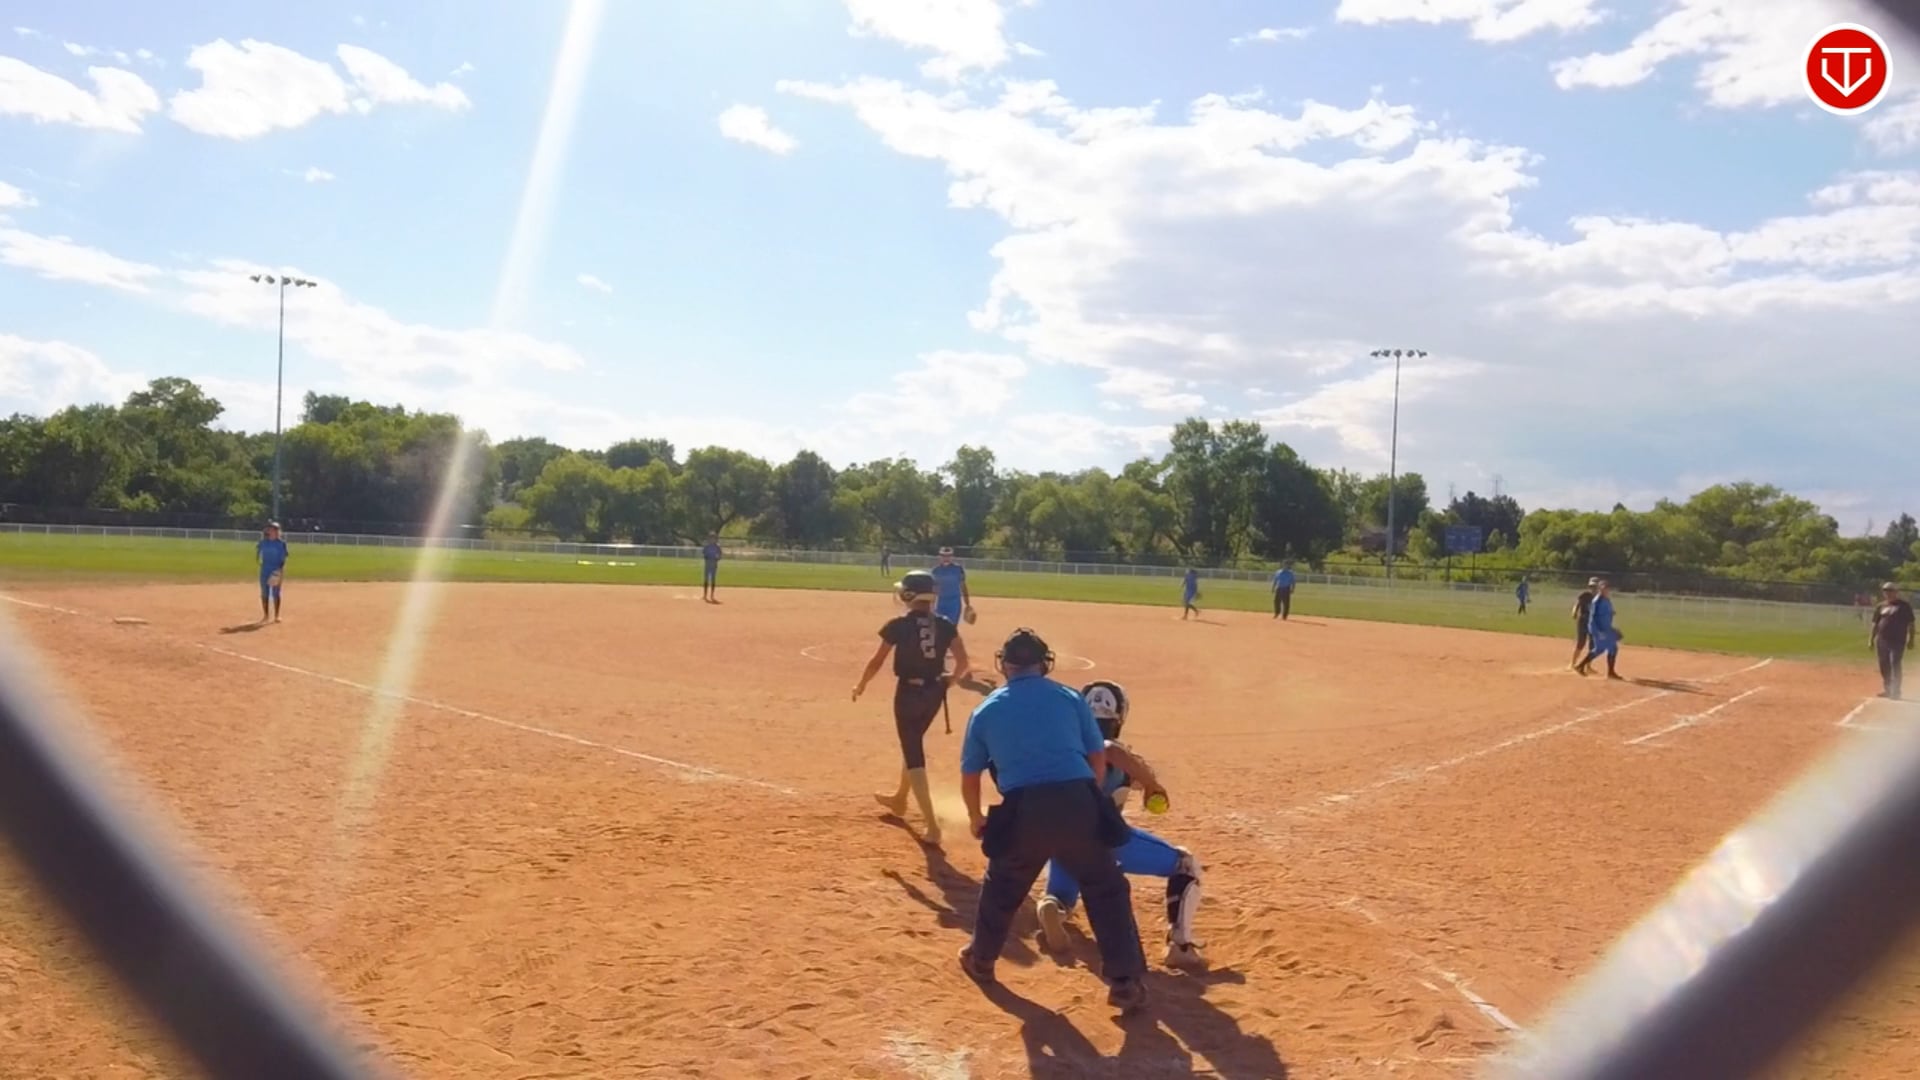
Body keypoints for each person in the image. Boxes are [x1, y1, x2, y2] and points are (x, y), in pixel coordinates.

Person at [957, 628, 1149, 1012]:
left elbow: (970, 775)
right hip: (1078, 800)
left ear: (1005, 664)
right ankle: (1124, 983)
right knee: (1105, 887)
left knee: (1003, 884)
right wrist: (1087, 799)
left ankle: (981, 959)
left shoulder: (985, 710)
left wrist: (976, 817)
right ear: (1044, 664)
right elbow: (1098, 757)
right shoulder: (1068, 697)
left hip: (1023, 809)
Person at [1035, 680, 1205, 969]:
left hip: (1059, 837)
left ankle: (1052, 907)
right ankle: (1181, 945)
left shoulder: (1063, 750)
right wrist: (1152, 784)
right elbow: (1111, 751)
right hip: (1106, 839)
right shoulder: (1114, 754)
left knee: (1061, 894)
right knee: (1184, 864)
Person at [854, 570, 973, 845]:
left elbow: (877, 661)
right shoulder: (944, 624)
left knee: (913, 751)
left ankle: (932, 826)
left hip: (908, 693)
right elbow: (963, 662)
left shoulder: (898, 625)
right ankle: (900, 798)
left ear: (908, 595)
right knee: (913, 742)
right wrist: (949, 682)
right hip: (934, 693)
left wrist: (861, 684)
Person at [1870, 582, 1914, 700]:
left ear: (1896, 592)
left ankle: (1896, 691)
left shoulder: (1904, 606)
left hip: (1897, 640)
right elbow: (1875, 623)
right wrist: (1871, 639)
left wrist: (1911, 639)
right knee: (1884, 665)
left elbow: (1911, 623)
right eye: (1885, 591)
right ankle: (1888, 689)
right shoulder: (1880, 606)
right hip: (1882, 640)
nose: (1888, 593)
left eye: (1890, 590)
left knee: (1895, 663)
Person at [1576, 579, 1624, 679]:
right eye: (1602, 588)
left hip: (1606, 628)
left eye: (1606, 588)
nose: (1605, 590)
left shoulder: (1606, 600)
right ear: (1599, 589)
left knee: (1603, 649)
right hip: (1599, 629)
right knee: (1608, 648)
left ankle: (1581, 666)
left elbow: (1607, 613)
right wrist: (1598, 631)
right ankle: (1610, 673)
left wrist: (1612, 628)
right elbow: (1592, 618)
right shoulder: (1597, 601)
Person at [931, 547, 975, 627]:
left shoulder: (958, 569)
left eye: (948, 556)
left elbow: (963, 586)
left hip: (954, 603)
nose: (946, 558)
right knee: (939, 627)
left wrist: (967, 604)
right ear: (940, 557)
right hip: (941, 602)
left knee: (952, 627)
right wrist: (932, 605)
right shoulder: (935, 571)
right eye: (943, 556)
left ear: (952, 557)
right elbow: (934, 589)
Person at [255, 522, 288, 624]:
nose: (273, 531)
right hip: (265, 570)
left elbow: (283, 558)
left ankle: (276, 615)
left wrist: (279, 570)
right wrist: (259, 561)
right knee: (264, 592)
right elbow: (258, 553)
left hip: (275, 570)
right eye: (271, 529)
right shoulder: (263, 542)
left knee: (275, 593)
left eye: (275, 530)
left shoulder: (281, 543)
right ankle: (266, 615)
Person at [1570, 577, 1598, 669]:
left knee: (1593, 645)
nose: (1593, 589)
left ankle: (1588, 666)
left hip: (1593, 623)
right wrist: (1574, 612)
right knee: (1581, 643)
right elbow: (1577, 604)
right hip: (1582, 621)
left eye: (1595, 587)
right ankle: (1572, 664)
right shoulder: (1585, 595)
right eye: (1591, 586)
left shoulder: (1599, 598)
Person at [700, 535, 722, 602]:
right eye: (711, 538)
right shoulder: (707, 546)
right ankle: (705, 595)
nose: (712, 540)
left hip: (714, 564)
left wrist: (717, 558)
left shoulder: (717, 547)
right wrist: (706, 557)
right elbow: (704, 554)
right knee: (706, 579)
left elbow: (720, 555)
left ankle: (712, 595)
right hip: (707, 564)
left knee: (713, 580)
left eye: (714, 538)